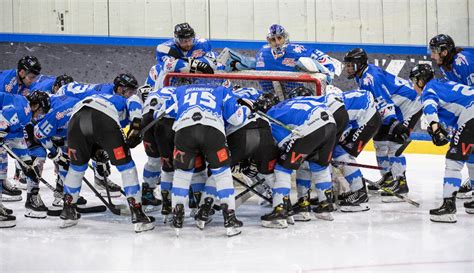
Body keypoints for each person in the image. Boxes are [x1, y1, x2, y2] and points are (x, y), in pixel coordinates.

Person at [59, 73, 155, 232]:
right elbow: (134, 104)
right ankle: (137, 213)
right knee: (126, 167)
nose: (131, 93)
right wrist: (136, 127)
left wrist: (98, 149)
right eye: (129, 90)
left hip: (76, 120)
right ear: (120, 89)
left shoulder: (97, 94)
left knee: (76, 168)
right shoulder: (123, 99)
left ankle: (68, 210)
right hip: (103, 120)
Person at [156, 84, 251, 236]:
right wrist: (246, 109)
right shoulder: (222, 90)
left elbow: (160, 114)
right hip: (212, 130)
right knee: (222, 175)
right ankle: (230, 220)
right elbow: (235, 119)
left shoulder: (180, 90)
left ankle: (177, 217)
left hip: (184, 131)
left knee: (181, 175)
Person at [343, 48, 422, 201]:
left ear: (359, 64)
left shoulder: (370, 78)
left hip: (410, 105)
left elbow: (384, 103)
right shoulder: (362, 75)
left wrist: (394, 124)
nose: (348, 68)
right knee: (379, 140)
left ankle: (400, 182)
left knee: (394, 143)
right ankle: (388, 176)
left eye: (350, 65)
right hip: (396, 105)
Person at [262, 86, 337, 228]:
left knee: (282, 167)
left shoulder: (273, 111)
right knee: (320, 166)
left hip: (310, 127)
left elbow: (281, 141)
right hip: (331, 125)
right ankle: (325, 207)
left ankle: (280, 210)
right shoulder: (311, 100)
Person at [409, 64, 474, 222]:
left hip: (471, 115)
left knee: (453, 162)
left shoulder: (429, 89)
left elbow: (430, 106)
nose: (413, 84)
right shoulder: (442, 83)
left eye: (414, 80)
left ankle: (448, 208)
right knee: (472, 159)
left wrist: (434, 127)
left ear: (421, 81)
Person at [429, 34, 474, 198]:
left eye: (434, 51)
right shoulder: (446, 66)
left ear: (445, 51)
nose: (432, 56)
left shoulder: (463, 62)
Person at [0, 91, 48, 219]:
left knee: (30, 163)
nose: (40, 115)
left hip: (8, 130)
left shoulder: (25, 110)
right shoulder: (22, 109)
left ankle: (32, 200)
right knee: (0, 165)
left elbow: (16, 131)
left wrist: (25, 161)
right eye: (41, 111)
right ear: (35, 105)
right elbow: (4, 119)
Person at [254, 24, 336, 95]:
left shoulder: (297, 50)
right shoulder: (262, 54)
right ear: (269, 41)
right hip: (272, 99)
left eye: (279, 38)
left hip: (297, 97)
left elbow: (326, 61)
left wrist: (327, 73)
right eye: (273, 39)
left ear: (284, 37)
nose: (277, 42)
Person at [154, 23, 219, 88]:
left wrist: (194, 64)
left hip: (196, 80)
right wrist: (196, 64)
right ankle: (153, 91)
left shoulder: (203, 44)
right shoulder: (164, 48)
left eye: (190, 40)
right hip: (174, 81)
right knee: (155, 69)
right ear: (177, 39)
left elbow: (214, 61)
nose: (188, 44)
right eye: (184, 41)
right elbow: (169, 66)